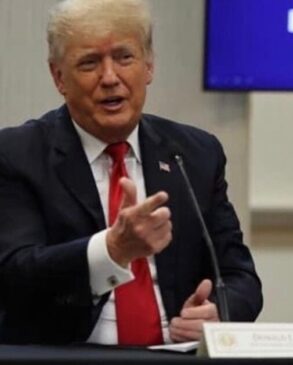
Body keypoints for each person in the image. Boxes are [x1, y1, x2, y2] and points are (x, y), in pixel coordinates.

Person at [0, 0, 262, 345]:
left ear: (149, 65)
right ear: (58, 77)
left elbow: (239, 276)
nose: (110, 78)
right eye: (89, 62)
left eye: (124, 58)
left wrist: (218, 313)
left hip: (174, 354)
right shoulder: (17, 154)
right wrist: (111, 250)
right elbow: (14, 275)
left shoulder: (195, 154)